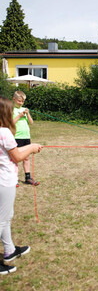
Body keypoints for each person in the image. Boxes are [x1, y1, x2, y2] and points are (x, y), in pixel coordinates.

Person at [0, 96, 42, 275]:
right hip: (4, 181)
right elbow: (16, 156)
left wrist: (30, 147)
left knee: (7, 216)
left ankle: (9, 251)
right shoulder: (5, 132)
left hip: (4, 180)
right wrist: (32, 148)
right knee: (2, 219)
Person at [12, 91, 39, 186]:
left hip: (26, 136)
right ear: (14, 99)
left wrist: (28, 114)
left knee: (26, 158)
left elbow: (31, 123)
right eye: (19, 101)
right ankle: (14, 179)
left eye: (22, 101)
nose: (21, 103)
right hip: (17, 137)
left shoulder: (25, 109)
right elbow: (10, 123)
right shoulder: (11, 110)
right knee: (16, 158)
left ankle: (28, 177)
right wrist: (19, 116)